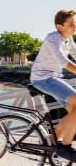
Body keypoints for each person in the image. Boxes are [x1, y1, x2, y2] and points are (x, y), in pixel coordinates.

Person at [30, 10, 76, 161]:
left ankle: (51, 143)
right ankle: (65, 147)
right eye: (71, 24)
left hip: (54, 78)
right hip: (42, 78)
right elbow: (63, 61)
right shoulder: (52, 39)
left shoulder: (68, 39)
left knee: (73, 113)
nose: (75, 27)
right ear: (59, 26)